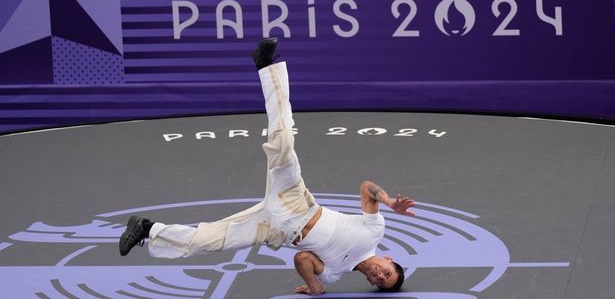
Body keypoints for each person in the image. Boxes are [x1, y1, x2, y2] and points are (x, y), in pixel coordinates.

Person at [118, 38, 416, 294]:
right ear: (387, 259)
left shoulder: (335, 272)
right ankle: (267, 67)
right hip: (296, 204)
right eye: (386, 273)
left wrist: (316, 287)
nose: (378, 276)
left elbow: (301, 261)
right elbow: (367, 189)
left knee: (207, 241)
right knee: (283, 144)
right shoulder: (373, 233)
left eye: (380, 283)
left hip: (272, 228)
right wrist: (390, 201)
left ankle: (147, 229)